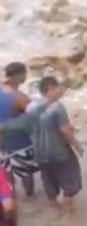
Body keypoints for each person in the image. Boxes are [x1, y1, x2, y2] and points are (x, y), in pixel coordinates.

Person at [0, 77, 83, 218]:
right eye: (58, 87)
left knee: (49, 179)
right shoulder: (58, 107)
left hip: (40, 154)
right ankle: (69, 211)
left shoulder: (31, 107)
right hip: (59, 153)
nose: (61, 90)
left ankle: (53, 204)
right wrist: (77, 146)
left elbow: (22, 125)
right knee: (70, 177)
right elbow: (65, 131)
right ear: (51, 89)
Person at [0, 63, 36, 198]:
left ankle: (11, 197)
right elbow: (34, 118)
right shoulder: (19, 97)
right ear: (18, 76)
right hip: (19, 142)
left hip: (2, 141)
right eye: (24, 74)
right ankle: (31, 197)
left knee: (7, 172)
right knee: (26, 173)